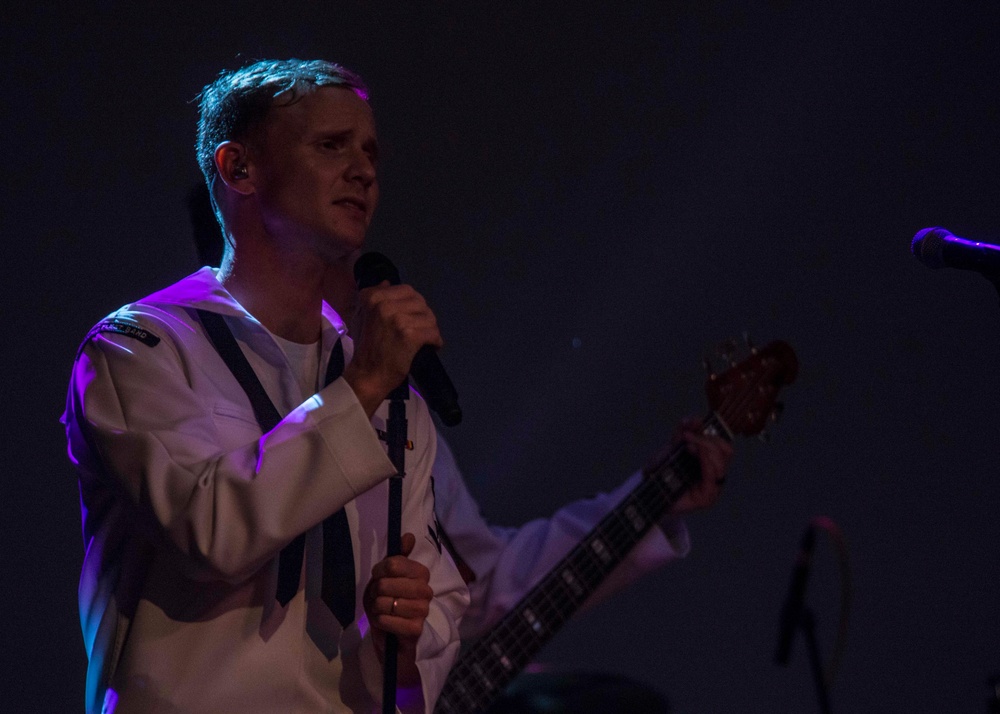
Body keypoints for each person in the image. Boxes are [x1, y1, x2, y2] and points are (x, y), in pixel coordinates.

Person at [64, 59, 469, 714]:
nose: (364, 171)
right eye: (332, 145)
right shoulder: (138, 347)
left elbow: (441, 597)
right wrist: (363, 384)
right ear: (238, 169)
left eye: (370, 152)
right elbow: (210, 531)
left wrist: (405, 630)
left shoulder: (388, 390)